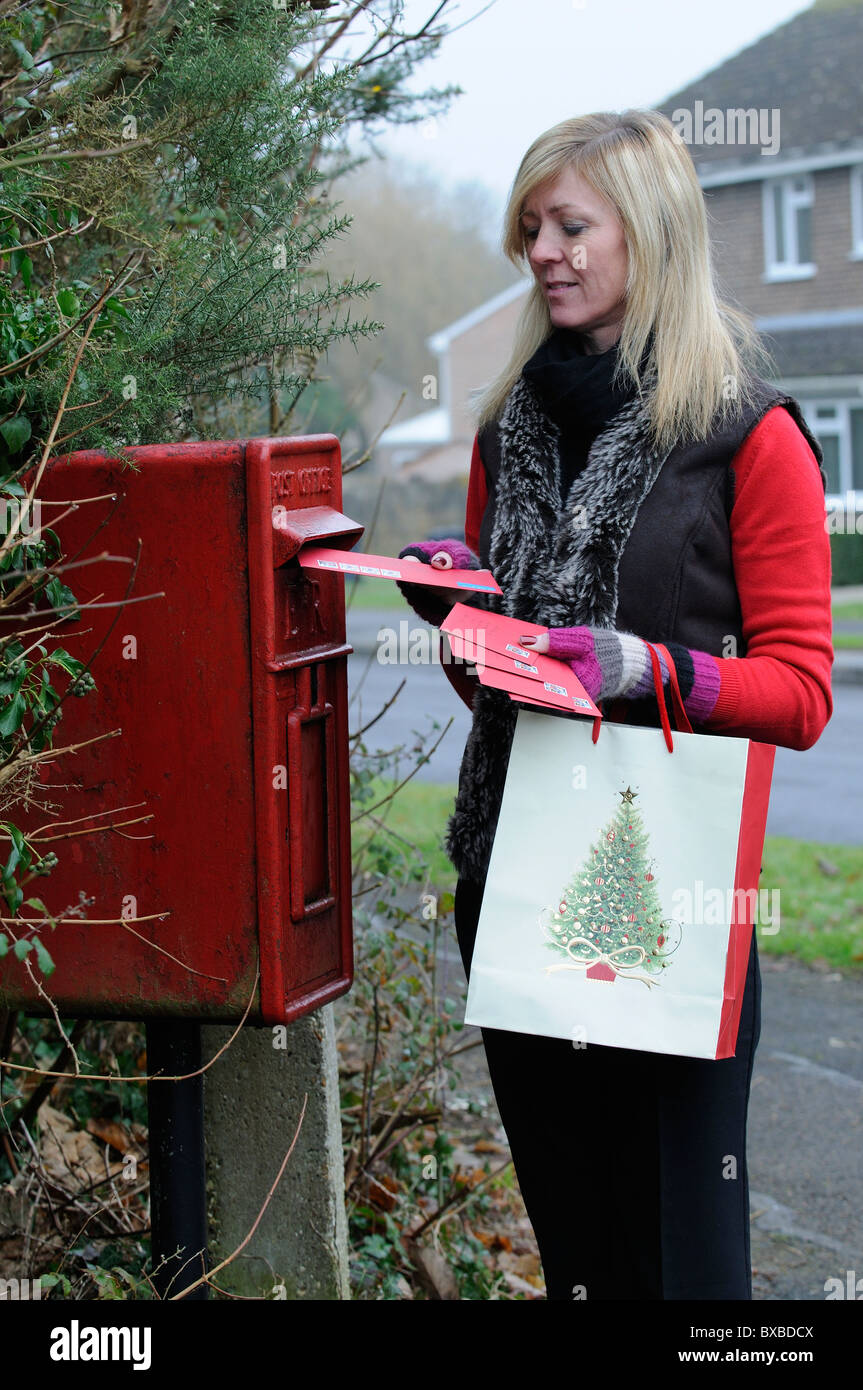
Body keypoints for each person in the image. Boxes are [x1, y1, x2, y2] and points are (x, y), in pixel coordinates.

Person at [396, 109, 833, 1301]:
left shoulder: (746, 432)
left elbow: (798, 692)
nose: (543, 249)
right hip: (511, 877)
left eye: (571, 224)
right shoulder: (508, 422)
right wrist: (460, 619)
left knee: (686, 1258)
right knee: (579, 1245)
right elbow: (497, 675)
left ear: (647, 233)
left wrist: (642, 669)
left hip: (666, 896)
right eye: (530, 226)